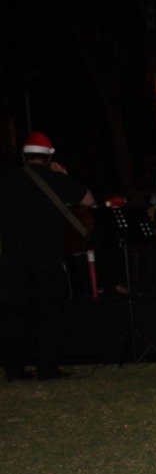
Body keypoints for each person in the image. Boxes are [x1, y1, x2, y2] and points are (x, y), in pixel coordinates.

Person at [1, 132, 95, 381]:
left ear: (23, 155)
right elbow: (88, 199)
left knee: (15, 313)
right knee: (48, 313)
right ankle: (47, 367)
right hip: (47, 257)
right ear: (49, 156)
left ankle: (14, 367)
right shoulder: (54, 179)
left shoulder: (6, 179)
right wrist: (62, 176)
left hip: (12, 258)